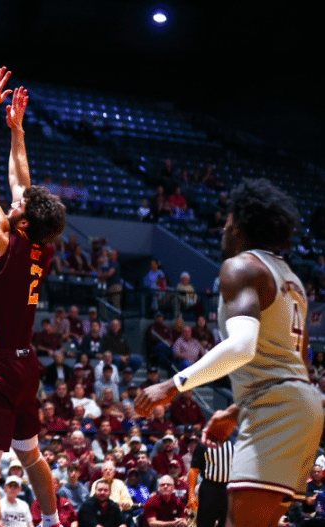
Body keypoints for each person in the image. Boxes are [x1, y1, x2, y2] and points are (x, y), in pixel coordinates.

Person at [136, 178, 324, 527]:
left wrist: (172, 386)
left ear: (240, 225)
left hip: (279, 409)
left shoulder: (241, 267)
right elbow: (294, 365)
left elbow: (241, 347)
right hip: (299, 404)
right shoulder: (291, 280)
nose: (223, 226)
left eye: (228, 220)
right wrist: (236, 411)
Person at [0, 69, 66, 527]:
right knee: (31, 454)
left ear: (22, 222)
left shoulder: (2, 238)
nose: (14, 203)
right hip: (27, 364)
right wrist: (18, 132)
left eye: (19, 207)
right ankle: (51, 522)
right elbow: (21, 183)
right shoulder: (41, 246)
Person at [189, 440, 233, 527]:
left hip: (229, 488)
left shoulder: (235, 441)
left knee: (227, 523)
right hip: (210, 488)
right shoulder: (204, 443)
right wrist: (191, 495)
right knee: (205, 523)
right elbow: (194, 469)